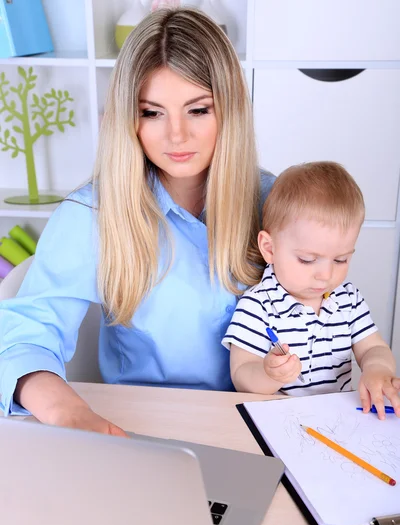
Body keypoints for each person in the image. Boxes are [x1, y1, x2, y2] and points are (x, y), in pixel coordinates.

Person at [0, 7, 274, 435]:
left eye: (198, 110)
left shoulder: (273, 201)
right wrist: (67, 412)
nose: (177, 135)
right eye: (152, 112)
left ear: (230, 111)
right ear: (129, 117)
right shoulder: (93, 214)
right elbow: (24, 336)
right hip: (142, 428)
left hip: (263, 423)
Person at [222, 161, 400, 420]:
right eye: (307, 259)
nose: (326, 275)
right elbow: (241, 375)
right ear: (270, 249)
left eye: (340, 260)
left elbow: (373, 347)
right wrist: (268, 374)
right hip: (283, 423)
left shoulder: (347, 298)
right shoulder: (258, 305)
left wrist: (378, 368)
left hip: (339, 420)